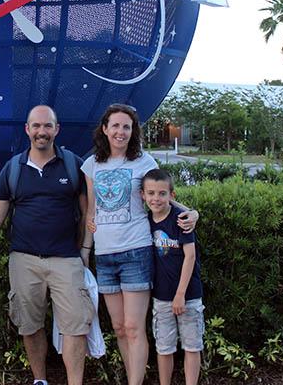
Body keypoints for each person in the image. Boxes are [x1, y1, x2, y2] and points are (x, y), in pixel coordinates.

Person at [0, 105, 93, 385]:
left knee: (75, 325)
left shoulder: (73, 165)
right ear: (27, 129)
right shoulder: (13, 168)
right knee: (29, 325)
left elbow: (89, 213)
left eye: (48, 126)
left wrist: (85, 250)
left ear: (56, 129)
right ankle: (40, 380)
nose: (42, 131)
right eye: (36, 126)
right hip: (24, 259)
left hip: (66, 258)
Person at [83, 103, 198, 385]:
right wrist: (86, 251)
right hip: (106, 255)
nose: (120, 132)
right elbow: (90, 211)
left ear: (133, 131)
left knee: (135, 327)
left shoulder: (144, 162)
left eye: (127, 126)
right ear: (105, 129)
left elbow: (163, 197)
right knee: (120, 328)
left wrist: (193, 213)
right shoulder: (91, 165)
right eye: (116, 126)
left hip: (136, 250)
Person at [143, 168, 203, 385]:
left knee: (192, 346)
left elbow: (190, 256)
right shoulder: (145, 221)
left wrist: (180, 294)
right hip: (161, 297)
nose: (155, 198)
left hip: (188, 295)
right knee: (164, 348)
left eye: (162, 193)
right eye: (150, 193)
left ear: (172, 195)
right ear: (143, 195)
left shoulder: (182, 220)